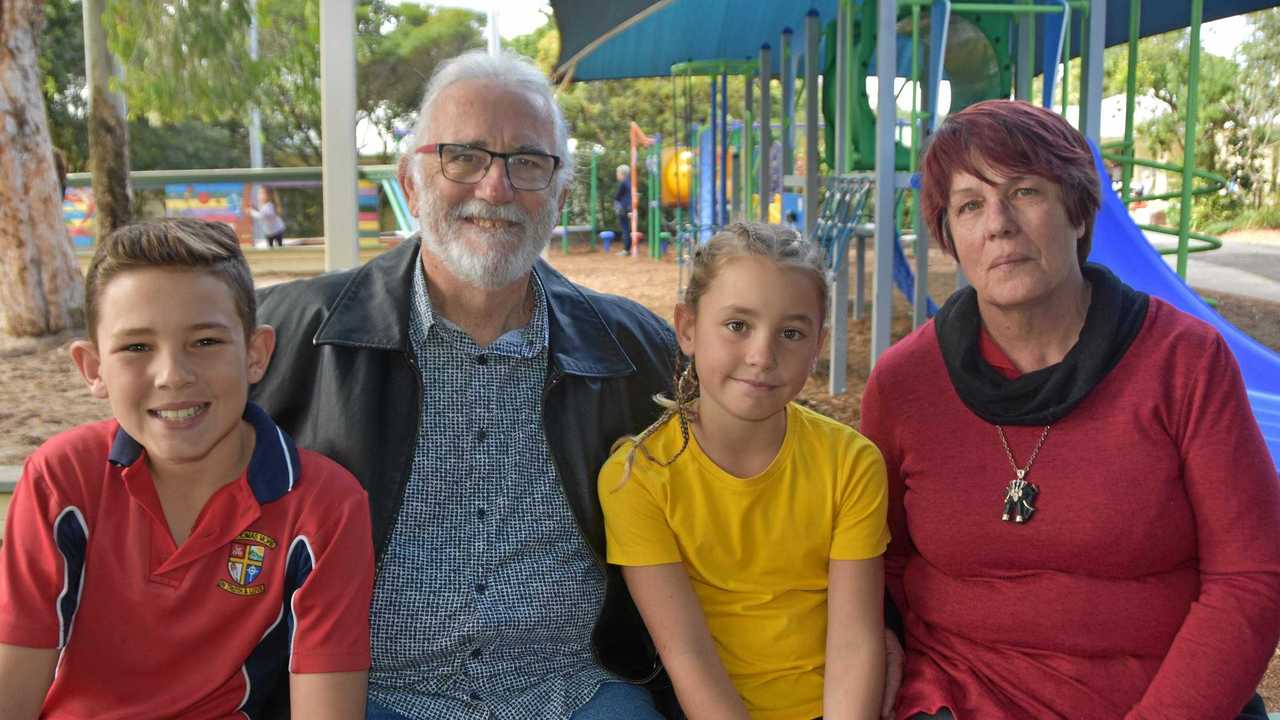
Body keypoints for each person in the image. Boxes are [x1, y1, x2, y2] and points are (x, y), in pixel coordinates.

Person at [250, 50, 680, 718]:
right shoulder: (291, 337)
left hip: (578, 691)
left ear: (560, 194)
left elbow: (753, 484)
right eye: (464, 156)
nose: (496, 188)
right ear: (413, 183)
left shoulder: (638, 351)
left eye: (527, 162)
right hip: (366, 696)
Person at [859, 100, 1280, 720]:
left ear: (1078, 211)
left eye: (1024, 191)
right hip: (957, 697)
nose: (998, 224)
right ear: (950, 237)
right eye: (970, 204)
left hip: (1154, 698)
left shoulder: (1185, 362)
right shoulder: (904, 384)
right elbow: (880, 562)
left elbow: (1249, 577)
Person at [0, 218, 374, 719]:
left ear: (256, 354)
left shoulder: (324, 505)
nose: (173, 375)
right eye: (137, 348)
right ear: (92, 369)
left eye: (205, 342)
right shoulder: (60, 478)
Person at [600, 222, 890, 719]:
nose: (762, 356)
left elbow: (857, 642)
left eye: (791, 333)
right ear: (687, 328)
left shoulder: (852, 463)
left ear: (818, 344)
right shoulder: (637, 476)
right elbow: (686, 654)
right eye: (738, 326)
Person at [614, 163, 633, 256]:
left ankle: (626, 249)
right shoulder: (630, 182)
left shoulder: (623, 183)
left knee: (625, 229)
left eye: (618, 173)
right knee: (628, 229)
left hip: (624, 209)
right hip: (629, 208)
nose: (617, 175)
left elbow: (617, 196)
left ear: (622, 174)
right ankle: (628, 248)